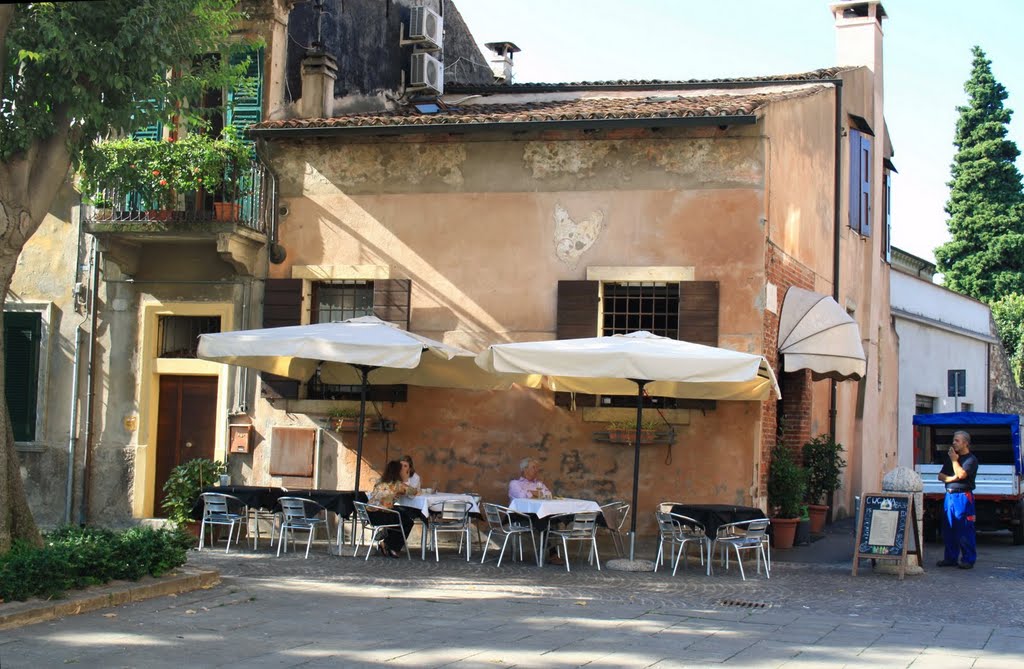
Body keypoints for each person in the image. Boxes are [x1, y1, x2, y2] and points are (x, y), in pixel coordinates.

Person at [936, 430, 979, 569]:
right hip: (949, 495)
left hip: (963, 496)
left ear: (966, 443)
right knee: (948, 528)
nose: (954, 443)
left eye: (957, 441)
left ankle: (968, 559)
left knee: (965, 528)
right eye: (953, 440)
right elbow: (941, 476)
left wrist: (955, 461)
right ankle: (950, 558)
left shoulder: (971, 460)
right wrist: (950, 478)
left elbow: (961, 474)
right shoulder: (951, 457)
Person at [508, 457, 562, 565]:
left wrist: (532, 493)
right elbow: (522, 496)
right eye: (534, 467)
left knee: (555, 520)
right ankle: (551, 553)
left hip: (540, 516)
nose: (537, 470)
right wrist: (535, 493)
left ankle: (550, 552)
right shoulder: (515, 484)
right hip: (522, 518)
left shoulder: (539, 484)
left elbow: (549, 495)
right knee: (545, 522)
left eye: (537, 468)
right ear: (524, 469)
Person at [367, 460, 418, 558]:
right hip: (381, 515)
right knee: (408, 521)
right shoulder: (397, 484)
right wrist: (406, 478)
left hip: (369, 514)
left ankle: (386, 543)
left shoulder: (380, 482)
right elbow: (414, 492)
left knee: (400, 516)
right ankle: (393, 547)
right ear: (398, 472)